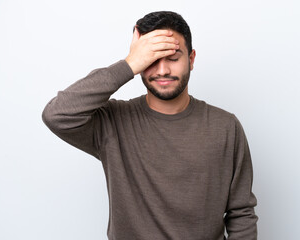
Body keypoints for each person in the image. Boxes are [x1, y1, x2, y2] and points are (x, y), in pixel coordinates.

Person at [42, 11, 258, 240]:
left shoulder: (225, 127)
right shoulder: (112, 122)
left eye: (173, 59)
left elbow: (241, 212)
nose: (163, 70)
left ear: (191, 59)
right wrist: (129, 64)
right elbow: (56, 114)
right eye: (151, 60)